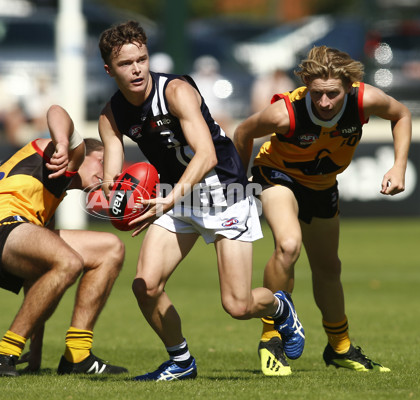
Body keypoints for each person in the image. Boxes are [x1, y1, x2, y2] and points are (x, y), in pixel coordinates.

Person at [97, 21, 305, 381]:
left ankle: (279, 307)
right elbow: (112, 159)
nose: (136, 69)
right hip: (174, 196)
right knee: (145, 286)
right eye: (125, 64)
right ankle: (181, 362)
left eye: (141, 59)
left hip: (224, 192)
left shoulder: (175, 91)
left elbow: (206, 155)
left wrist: (168, 199)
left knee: (237, 306)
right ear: (109, 69)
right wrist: (108, 191)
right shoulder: (112, 113)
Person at [234, 46, 412, 375]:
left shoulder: (365, 99)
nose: (325, 103)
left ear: (349, 86)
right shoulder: (284, 114)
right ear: (305, 84)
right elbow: (243, 132)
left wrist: (398, 166)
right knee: (288, 246)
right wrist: (238, 184)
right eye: (317, 94)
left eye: (333, 94)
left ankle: (340, 348)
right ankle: (271, 337)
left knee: (329, 267)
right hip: (276, 175)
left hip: (322, 185)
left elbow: (401, 115)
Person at [0, 104, 127, 377]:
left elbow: (38, 283)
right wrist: (63, 143)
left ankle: (77, 355)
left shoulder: (50, 199)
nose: (107, 175)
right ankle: (2, 356)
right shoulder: (63, 155)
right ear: (88, 153)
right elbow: (56, 111)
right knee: (68, 261)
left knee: (109, 249)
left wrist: (37, 345)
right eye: (103, 162)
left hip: (11, 233)